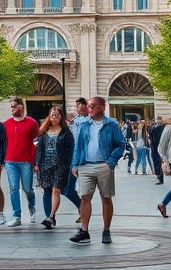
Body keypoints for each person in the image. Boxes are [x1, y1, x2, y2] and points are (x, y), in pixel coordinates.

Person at [69, 96, 126, 245]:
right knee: (85, 197)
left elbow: (120, 144)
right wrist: (75, 164)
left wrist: (110, 162)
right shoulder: (85, 125)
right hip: (86, 165)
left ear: (102, 107)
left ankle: (106, 230)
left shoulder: (111, 125)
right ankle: (84, 231)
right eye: (89, 106)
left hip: (104, 166)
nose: (89, 109)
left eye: (93, 106)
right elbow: (79, 146)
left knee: (106, 198)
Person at [35, 106, 74, 229]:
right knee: (47, 189)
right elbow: (39, 149)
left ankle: (51, 216)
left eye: (57, 114)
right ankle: (49, 217)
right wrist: (37, 163)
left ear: (61, 117)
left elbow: (70, 149)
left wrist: (69, 164)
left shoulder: (66, 132)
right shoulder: (44, 131)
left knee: (56, 189)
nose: (54, 116)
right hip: (45, 164)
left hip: (60, 165)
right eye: (52, 114)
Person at [3, 97, 39, 227]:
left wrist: (35, 162)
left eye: (14, 106)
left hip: (26, 161)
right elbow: (3, 142)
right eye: (11, 106)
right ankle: (16, 215)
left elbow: (36, 142)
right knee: (13, 188)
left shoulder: (31, 123)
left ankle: (32, 206)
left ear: (21, 107)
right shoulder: (6, 124)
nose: (12, 109)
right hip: (10, 161)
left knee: (27, 188)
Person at [148, 116, 166, 185]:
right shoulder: (156, 127)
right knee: (158, 161)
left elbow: (150, 136)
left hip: (157, 146)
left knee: (158, 161)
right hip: (157, 146)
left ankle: (159, 175)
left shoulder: (157, 127)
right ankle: (159, 175)